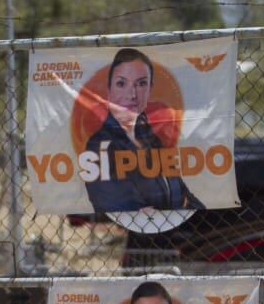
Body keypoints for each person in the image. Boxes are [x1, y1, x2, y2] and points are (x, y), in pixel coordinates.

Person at [83, 48, 204, 215]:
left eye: (141, 84)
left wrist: (204, 215)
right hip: (143, 235)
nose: (132, 95)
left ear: (150, 89)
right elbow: (123, 206)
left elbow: (183, 193)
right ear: (108, 90)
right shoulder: (100, 144)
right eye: (121, 83)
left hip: (174, 229)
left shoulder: (151, 138)